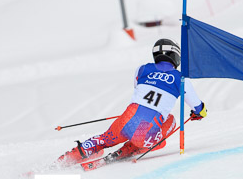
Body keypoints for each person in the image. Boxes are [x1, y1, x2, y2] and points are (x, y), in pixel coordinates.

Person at [56, 38, 207, 166]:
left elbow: (138, 90)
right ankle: (129, 149)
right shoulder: (180, 79)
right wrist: (200, 112)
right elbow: (197, 107)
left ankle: (70, 157)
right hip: (145, 130)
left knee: (104, 138)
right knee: (171, 121)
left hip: (127, 119)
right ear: (176, 57)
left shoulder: (142, 69)